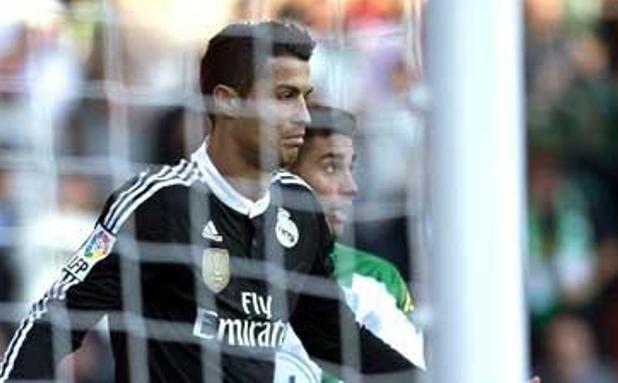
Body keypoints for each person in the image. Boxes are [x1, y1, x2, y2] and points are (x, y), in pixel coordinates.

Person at [0, 21, 417, 382]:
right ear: (227, 100)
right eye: (285, 96)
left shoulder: (297, 208)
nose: (303, 117)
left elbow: (337, 340)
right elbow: (55, 321)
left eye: (305, 97)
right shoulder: (159, 203)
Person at [273, 104, 424, 382]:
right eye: (331, 167)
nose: (351, 186)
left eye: (351, 167)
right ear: (283, 177)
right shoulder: (226, 264)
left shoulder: (376, 278)